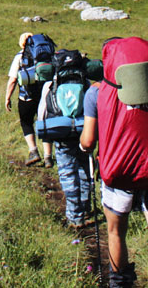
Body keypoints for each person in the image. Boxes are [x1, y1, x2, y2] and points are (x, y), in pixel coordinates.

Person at [80, 80, 148, 288]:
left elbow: (87, 141)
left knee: (116, 232)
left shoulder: (96, 92)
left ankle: (120, 283)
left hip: (119, 173)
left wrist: (85, 149)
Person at [35, 49, 92, 229]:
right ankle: (86, 206)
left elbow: (42, 112)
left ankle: (75, 216)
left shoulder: (50, 84)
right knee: (84, 167)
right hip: (84, 131)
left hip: (61, 130)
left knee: (67, 171)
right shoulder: (86, 82)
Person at [4, 32, 53, 166]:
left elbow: (13, 80)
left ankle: (33, 151)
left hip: (27, 97)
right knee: (45, 123)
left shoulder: (20, 56)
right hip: (46, 94)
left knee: (26, 122)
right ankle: (48, 157)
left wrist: (7, 98)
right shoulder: (48, 55)